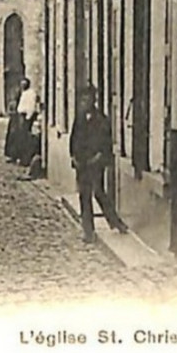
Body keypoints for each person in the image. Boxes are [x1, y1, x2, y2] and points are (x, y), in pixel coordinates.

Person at [69, 83, 129, 244]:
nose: (85, 101)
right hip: (82, 163)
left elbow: (105, 143)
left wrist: (98, 157)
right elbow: (74, 139)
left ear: (94, 100)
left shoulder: (101, 119)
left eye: (88, 98)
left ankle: (116, 222)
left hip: (95, 163)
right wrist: (73, 157)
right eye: (83, 98)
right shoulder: (79, 118)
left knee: (98, 192)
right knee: (84, 196)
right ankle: (88, 231)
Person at [16, 77, 38, 166]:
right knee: (20, 138)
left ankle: (25, 159)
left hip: (26, 117)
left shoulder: (31, 94)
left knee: (25, 139)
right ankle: (20, 157)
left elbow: (31, 106)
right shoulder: (24, 93)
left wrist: (28, 118)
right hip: (22, 116)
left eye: (24, 84)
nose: (22, 86)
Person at [3, 98, 20, 162]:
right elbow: (8, 112)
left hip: (17, 122)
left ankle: (16, 155)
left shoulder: (20, 103)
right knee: (12, 137)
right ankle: (11, 155)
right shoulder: (12, 104)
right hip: (13, 121)